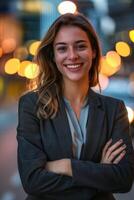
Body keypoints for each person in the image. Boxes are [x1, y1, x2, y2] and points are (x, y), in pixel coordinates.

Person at [17, 13, 134, 200]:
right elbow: (32, 180)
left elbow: (124, 179)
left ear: (93, 51)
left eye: (80, 46)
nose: (72, 56)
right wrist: (99, 174)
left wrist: (66, 166)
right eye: (62, 49)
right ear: (53, 56)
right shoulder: (31, 105)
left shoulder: (114, 110)